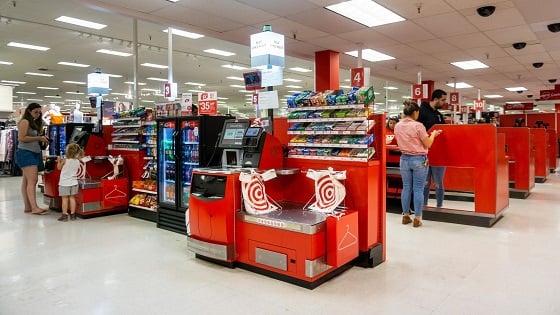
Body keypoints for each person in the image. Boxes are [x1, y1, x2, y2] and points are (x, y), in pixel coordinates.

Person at [394, 100, 442, 227]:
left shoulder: (397, 125)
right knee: (418, 189)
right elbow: (428, 144)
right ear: (415, 112)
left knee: (406, 187)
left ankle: (405, 216)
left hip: (404, 159)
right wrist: (434, 134)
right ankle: (417, 218)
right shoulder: (418, 126)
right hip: (418, 160)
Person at [15, 103, 50, 215]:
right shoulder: (25, 122)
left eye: (39, 113)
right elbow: (22, 138)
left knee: (26, 181)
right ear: (29, 111)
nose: (38, 115)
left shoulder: (33, 122)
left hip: (32, 153)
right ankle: (34, 207)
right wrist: (38, 138)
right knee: (33, 180)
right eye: (36, 112)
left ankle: (28, 207)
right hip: (26, 153)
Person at [418, 89, 447, 208]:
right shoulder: (421, 112)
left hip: (439, 154)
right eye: (443, 100)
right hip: (424, 153)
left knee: (438, 183)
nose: (444, 102)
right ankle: (423, 207)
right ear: (436, 99)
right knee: (424, 183)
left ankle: (439, 207)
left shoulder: (439, 115)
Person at [57, 143, 84, 221]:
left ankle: (64, 216)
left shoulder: (65, 160)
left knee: (64, 199)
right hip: (74, 183)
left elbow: (59, 168)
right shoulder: (77, 161)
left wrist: (59, 161)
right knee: (72, 198)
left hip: (64, 183)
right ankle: (73, 215)